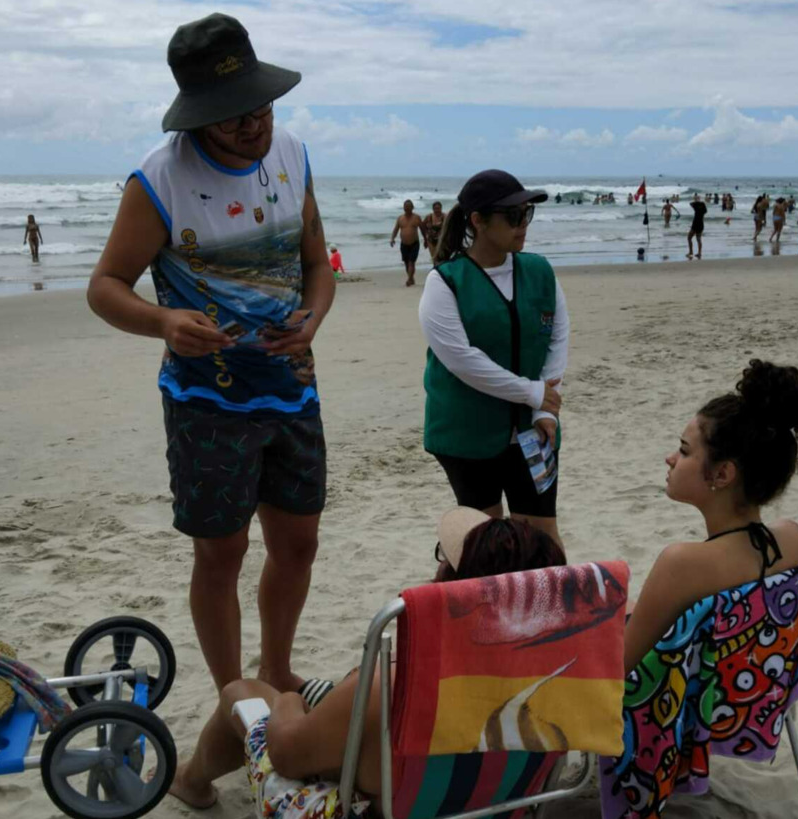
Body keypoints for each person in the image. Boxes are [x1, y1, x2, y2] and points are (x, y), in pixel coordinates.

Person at [86, 13, 335, 694]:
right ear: (196, 118)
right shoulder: (158, 181)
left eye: (261, 106)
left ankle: (275, 670)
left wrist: (312, 317)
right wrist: (164, 320)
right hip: (207, 400)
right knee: (221, 552)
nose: (253, 125)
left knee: (298, 543)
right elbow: (104, 287)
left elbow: (317, 265)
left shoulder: (294, 155)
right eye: (232, 118)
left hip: (292, 389)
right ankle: (234, 695)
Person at [168, 508, 567, 809]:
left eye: (442, 561)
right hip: (495, 805)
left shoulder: (390, 689)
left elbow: (285, 755)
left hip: (375, 803)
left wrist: (286, 702)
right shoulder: (569, 677)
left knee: (244, 693)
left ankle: (191, 783)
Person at [623, 359, 798, 672]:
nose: (671, 458)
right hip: (758, 708)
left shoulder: (681, 565)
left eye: (685, 451)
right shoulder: (795, 542)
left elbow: (620, 668)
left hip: (683, 719)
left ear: (722, 474)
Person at [419, 170, 568, 546]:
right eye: (513, 217)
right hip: (466, 433)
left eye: (527, 215)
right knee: (484, 541)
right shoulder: (445, 282)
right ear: (478, 221)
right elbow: (462, 361)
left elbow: (556, 338)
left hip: (532, 431)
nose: (523, 226)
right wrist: (532, 393)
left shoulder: (540, 271)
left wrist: (544, 409)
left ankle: (551, 607)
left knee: (541, 538)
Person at [390, 200, 426, 287]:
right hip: (404, 244)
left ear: (412, 207)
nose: (407, 208)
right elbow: (396, 229)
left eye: (409, 206)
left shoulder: (417, 217)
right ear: (403, 207)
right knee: (406, 262)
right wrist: (392, 238)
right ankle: (411, 278)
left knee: (411, 262)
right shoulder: (400, 218)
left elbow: (422, 229)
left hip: (414, 243)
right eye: (405, 206)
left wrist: (426, 239)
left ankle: (409, 279)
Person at [686, 194, 706, 259]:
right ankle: (699, 253)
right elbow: (705, 211)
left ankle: (691, 252)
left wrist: (695, 200)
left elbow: (690, 203)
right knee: (698, 239)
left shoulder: (695, 205)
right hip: (701, 223)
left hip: (695, 224)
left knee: (689, 237)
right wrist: (699, 201)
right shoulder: (702, 204)